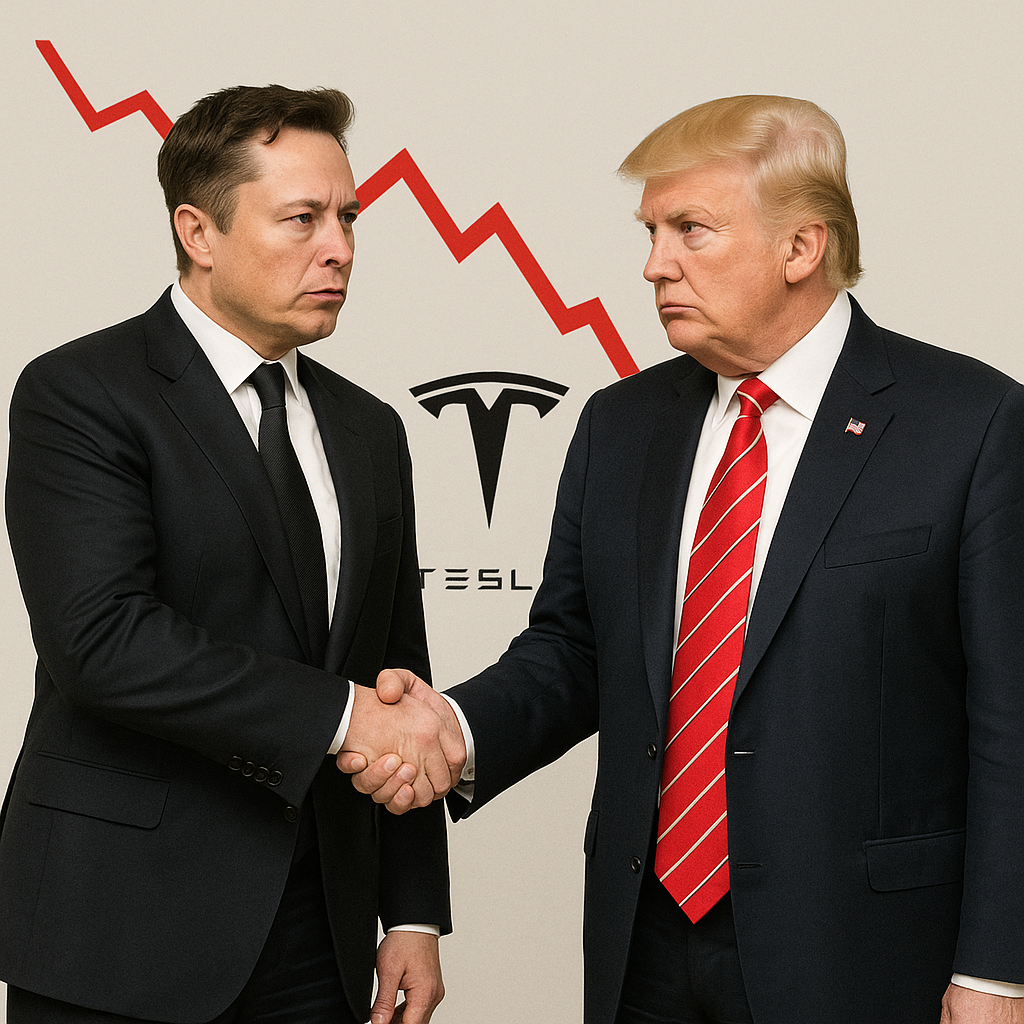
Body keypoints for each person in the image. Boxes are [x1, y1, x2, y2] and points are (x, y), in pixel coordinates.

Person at [342, 95, 1024, 1023]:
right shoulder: (621, 425)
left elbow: (1011, 723)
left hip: (862, 950)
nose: (655, 264)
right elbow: (575, 653)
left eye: (689, 230)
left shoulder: (971, 425)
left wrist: (996, 972)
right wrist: (452, 730)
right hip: (646, 946)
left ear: (802, 246)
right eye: (651, 232)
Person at [0, 84, 456, 1024]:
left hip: (319, 932)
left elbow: (397, 677)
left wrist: (413, 912)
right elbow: (102, 642)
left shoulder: (370, 430)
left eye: (348, 217)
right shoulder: (79, 393)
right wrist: (342, 718)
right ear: (197, 232)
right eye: (302, 218)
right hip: (115, 927)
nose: (340, 248)